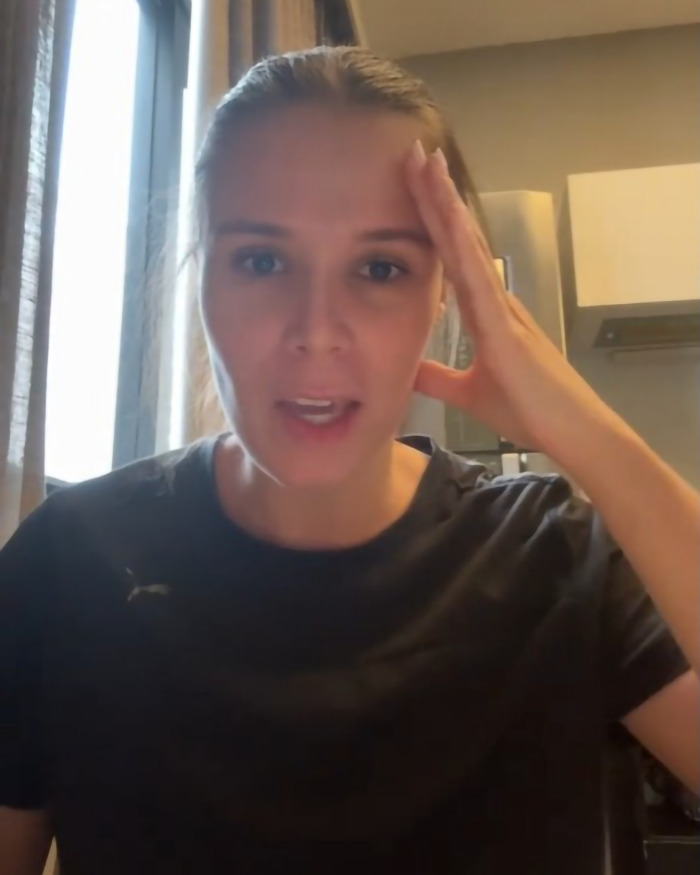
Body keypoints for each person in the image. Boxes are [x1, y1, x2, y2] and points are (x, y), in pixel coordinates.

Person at [0, 44, 698, 875]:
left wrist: (585, 429)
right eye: (262, 260)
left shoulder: (555, 548)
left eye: (380, 266)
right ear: (201, 279)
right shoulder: (71, 557)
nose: (318, 330)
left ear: (448, 293)